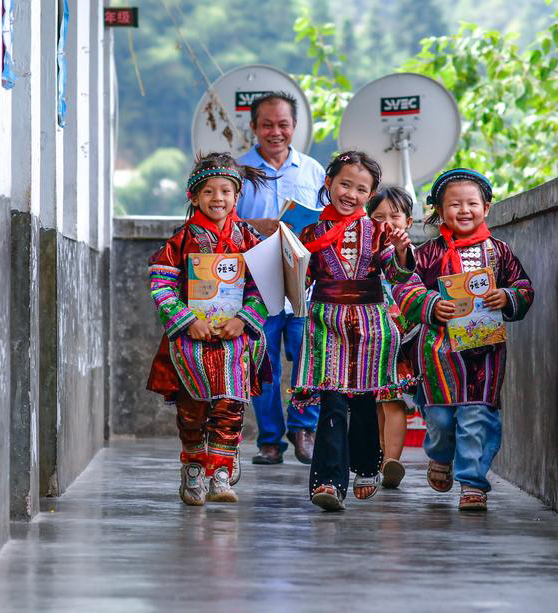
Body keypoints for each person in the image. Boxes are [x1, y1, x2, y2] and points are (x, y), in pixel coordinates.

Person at [393, 169, 535, 512]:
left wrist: (507, 295)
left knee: (477, 416)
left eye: (472, 203)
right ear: (440, 211)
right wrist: (429, 304)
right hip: (438, 353)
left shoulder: (500, 252)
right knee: (440, 420)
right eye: (454, 204)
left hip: (485, 353)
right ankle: (440, 456)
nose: (464, 210)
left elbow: (524, 287)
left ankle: (473, 483)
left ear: (486, 207)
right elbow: (405, 286)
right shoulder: (429, 253)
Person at [146, 153, 271, 506]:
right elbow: (161, 285)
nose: (218, 199)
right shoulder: (180, 241)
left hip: (234, 340)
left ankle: (220, 470)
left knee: (231, 405)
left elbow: (263, 286)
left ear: (237, 195)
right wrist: (189, 321)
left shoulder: (249, 238)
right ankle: (193, 468)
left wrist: (244, 319)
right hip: (192, 340)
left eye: (226, 192)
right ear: (194, 197)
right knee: (192, 409)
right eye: (209, 192)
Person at [293, 151, 415, 511]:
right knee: (331, 403)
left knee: (363, 403)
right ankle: (328, 482)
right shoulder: (310, 232)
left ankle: (366, 466)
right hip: (325, 323)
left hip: (370, 326)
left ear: (370, 194)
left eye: (362, 189)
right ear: (328, 183)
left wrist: (401, 252)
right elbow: (301, 278)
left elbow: (395, 274)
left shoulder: (378, 231)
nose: (351, 194)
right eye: (344, 184)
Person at [236, 91, 326, 466]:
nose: (276, 132)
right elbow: (221, 222)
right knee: (262, 363)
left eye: (283, 124)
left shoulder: (313, 171)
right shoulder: (238, 172)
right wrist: (254, 225)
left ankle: (303, 428)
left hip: (304, 285)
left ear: (294, 127)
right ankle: (270, 440)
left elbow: (330, 221)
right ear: (254, 127)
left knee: (310, 357)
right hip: (256, 285)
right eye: (267, 124)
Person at [365, 186, 419, 489]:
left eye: (394, 217)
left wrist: (400, 250)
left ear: (408, 222)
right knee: (377, 403)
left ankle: (390, 462)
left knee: (393, 401)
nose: (386, 223)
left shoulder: (409, 254)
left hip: (398, 341)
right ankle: (383, 457)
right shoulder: (366, 252)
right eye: (378, 217)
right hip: (370, 339)